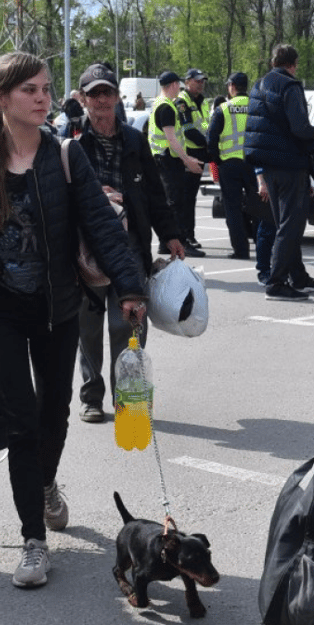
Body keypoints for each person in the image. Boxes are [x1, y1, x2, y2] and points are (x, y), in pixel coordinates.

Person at [0, 52, 146, 588]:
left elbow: (103, 228)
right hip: (1, 314)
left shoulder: (66, 158)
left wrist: (130, 287)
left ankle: (46, 482)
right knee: (23, 424)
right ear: (1, 97)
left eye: (47, 89)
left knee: (55, 414)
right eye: (30, 89)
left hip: (58, 310)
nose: (42, 97)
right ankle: (33, 539)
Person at [70, 62, 187, 423]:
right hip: (86, 251)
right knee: (88, 330)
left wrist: (170, 234)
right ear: (83, 99)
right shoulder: (69, 141)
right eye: (94, 94)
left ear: (117, 97)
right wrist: (92, 195)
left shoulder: (134, 140)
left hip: (131, 246)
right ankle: (92, 397)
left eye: (107, 92)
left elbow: (155, 192)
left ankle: (130, 400)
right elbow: (56, 196)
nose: (102, 100)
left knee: (130, 325)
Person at [246, 44, 314, 301]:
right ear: (293, 64)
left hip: (268, 165)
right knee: (291, 226)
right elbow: (299, 127)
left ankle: (298, 276)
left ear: (273, 62)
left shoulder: (258, 86)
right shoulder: (290, 86)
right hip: (289, 165)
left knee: (285, 223)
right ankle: (276, 283)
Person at [148, 70, 206, 257]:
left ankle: (166, 244)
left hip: (164, 160)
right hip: (168, 161)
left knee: (172, 202)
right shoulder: (167, 108)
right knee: (177, 204)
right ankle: (180, 242)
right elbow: (172, 140)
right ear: (173, 85)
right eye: (178, 86)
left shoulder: (161, 104)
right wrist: (188, 160)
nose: (179, 89)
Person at [206, 71, 256, 259]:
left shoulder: (223, 109)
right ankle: (263, 246)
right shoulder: (256, 107)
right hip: (253, 164)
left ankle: (241, 251)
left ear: (232, 87)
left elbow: (211, 140)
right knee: (259, 207)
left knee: (233, 209)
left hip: (229, 165)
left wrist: (217, 161)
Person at [179, 68, 213, 250]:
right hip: (188, 153)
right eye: (197, 81)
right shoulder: (182, 102)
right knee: (186, 199)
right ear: (187, 82)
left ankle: (188, 235)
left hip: (200, 152)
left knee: (191, 198)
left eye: (202, 81)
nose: (201, 84)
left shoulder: (203, 102)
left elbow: (205, 125)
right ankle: (186, 236)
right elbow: (188, 130)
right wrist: (209, 144)